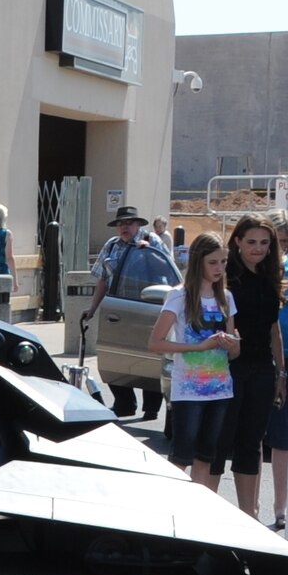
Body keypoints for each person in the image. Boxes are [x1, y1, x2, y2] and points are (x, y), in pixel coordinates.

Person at [148, 232, 240, 490]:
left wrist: (233, 344)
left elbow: (234, 353)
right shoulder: (180, 295)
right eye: (213, 262)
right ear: (199, 261)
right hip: (188, 390)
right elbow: (155, 343)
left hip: (220, 388)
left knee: (206, 457)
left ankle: (199, 506)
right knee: (181, 457)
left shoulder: (226, 297)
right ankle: (171, 505)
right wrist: (199, 346)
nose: (219, 268)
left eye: (223, 262)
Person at [212, 214, 287, 521]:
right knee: (218, 441)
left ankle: (248, 516)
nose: (258, 248)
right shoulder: (224, 277)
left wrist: (281, 373)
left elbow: (274, 330)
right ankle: (206, 515)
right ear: (238, 242)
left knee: (252, 443)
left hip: (262, 369)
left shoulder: (271, 277)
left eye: (265, 243)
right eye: (252, 241)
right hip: (227, 368)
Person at [79, 204, 173, 419]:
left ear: (138, 224)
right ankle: (124, 404)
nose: (124, 227)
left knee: (150, 359)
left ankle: (151, 408)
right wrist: (92, 308)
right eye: (121, 224)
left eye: (129, 223)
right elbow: (103, 280)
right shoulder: (112, 245)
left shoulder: (152, 241)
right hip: (119, 309)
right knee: (116, 358)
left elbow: (167, 271)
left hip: (149, 308)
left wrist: (148, 253)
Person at [262, 215, 288, 530]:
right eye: (275, 240)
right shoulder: (254, 268)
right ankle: (254, 506)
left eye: (285, 240)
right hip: (257, 356)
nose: (280, 246)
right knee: (254, 435)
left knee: (283, 435)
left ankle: (281, 506)